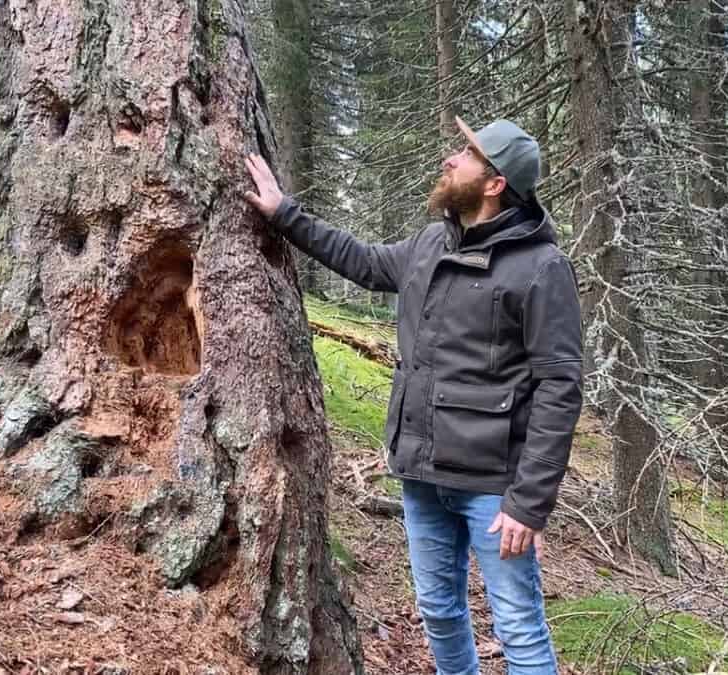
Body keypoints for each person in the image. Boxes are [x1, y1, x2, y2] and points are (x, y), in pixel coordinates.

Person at [245, 116, 582, 675]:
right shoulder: (431, 243)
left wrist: (530, 502)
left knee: (518, 624)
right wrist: (284, 214)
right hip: (421, 472)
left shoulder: (542, 268)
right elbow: (363, 261)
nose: (451, 159)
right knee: (438, 610)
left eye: (468, 154)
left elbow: (559, 387)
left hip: (493, 490)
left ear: (495, 183)